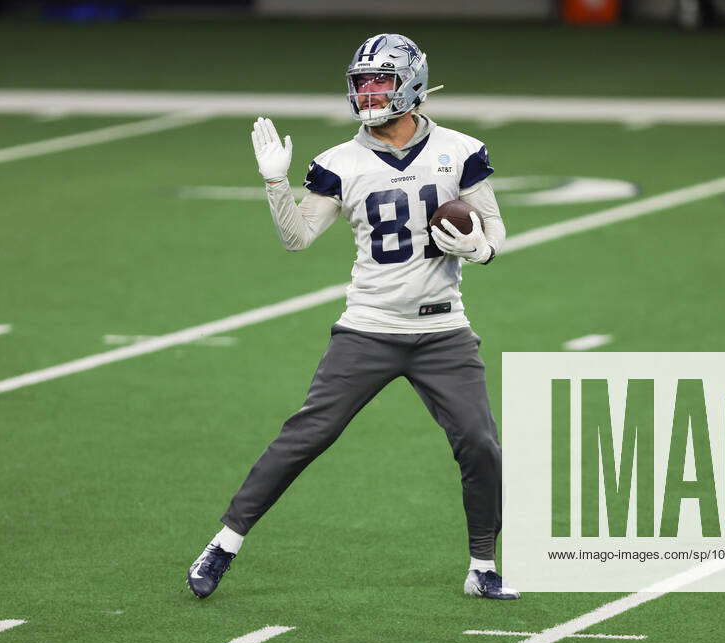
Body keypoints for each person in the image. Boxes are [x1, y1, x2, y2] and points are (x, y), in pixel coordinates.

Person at [186, 33, 518, 601]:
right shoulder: (338, 162)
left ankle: (483, 565)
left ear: (411, 83)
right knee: (307, 434)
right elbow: (297, 238)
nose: (368, 94)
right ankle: (224, 543)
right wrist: (274, 184)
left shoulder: (460, 150)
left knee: (481, 443)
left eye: (379, 82)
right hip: (369, 326)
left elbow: (494, 228)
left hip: (442, 329)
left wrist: (478, 251)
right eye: (361, 84)